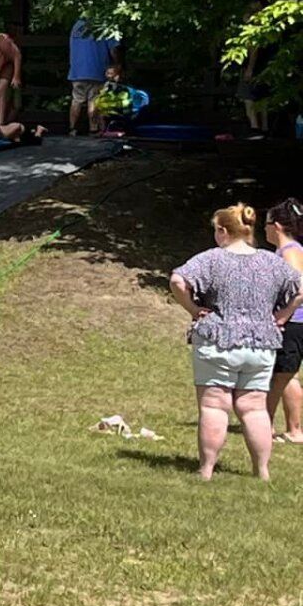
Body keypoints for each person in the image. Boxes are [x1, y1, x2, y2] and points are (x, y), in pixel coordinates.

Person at [169, 203, 301, 481]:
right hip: (261, 344)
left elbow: (178, 280)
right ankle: (261, 471)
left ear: (222, 230)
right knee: (254, 408)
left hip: (219, 341)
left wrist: (193, 309)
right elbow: (300, 287)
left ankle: (206, 470)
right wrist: (283, 314)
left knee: (214, 406)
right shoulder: (272, 261)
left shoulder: (211, 259)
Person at [266, 198, 303, 446]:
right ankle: (292, 429)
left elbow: (300, 287)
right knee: (288, 377)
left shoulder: (289, 252)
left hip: (294, 324)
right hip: (295, 323)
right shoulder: (293, 249)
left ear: (277, 225)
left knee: (279, 377)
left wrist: (284, 314)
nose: (265, 228)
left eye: (267, 223)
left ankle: (266, 426)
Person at [68, 19, 121, 135]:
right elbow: (114, 49)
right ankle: (93, 129)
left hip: (77, 70)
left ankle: (72, 128)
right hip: (97, 70)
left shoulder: (76, 25)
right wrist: (117, 65)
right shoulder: (105, 25)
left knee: (76, 100)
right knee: (94, 101)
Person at [93, 63, 147, 137]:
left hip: (123, 109)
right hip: (117, 108)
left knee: (101, 113)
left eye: (111, 74)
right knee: (99, 111)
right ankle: (104, 130)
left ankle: (104, 130)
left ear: (117, 75)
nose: (108, 76)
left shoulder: (120, 87)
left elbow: (121, 100)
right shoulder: (108, 85)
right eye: (107, 73)